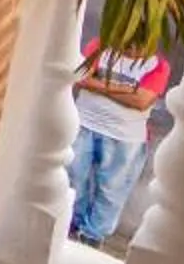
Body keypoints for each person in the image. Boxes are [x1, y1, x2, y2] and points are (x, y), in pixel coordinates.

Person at [67, 40, 170, 245]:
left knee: (112, 190)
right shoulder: (99, 47)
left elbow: (142, 101)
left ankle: (93, 235)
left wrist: (99, 84)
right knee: (73, 175)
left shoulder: (157, 65)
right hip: (85, 123)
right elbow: (80, 77)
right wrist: (126, 89)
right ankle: (73, 223)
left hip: (125, 137)